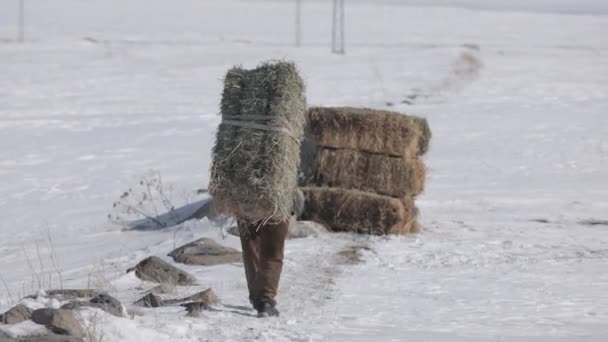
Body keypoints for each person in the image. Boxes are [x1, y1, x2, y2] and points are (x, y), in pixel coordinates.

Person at [238, 189, 305, 317]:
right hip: (277, 198)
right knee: (272, 251)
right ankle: (265, 299)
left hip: (245, 197)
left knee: (251, 248)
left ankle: (256, 295)